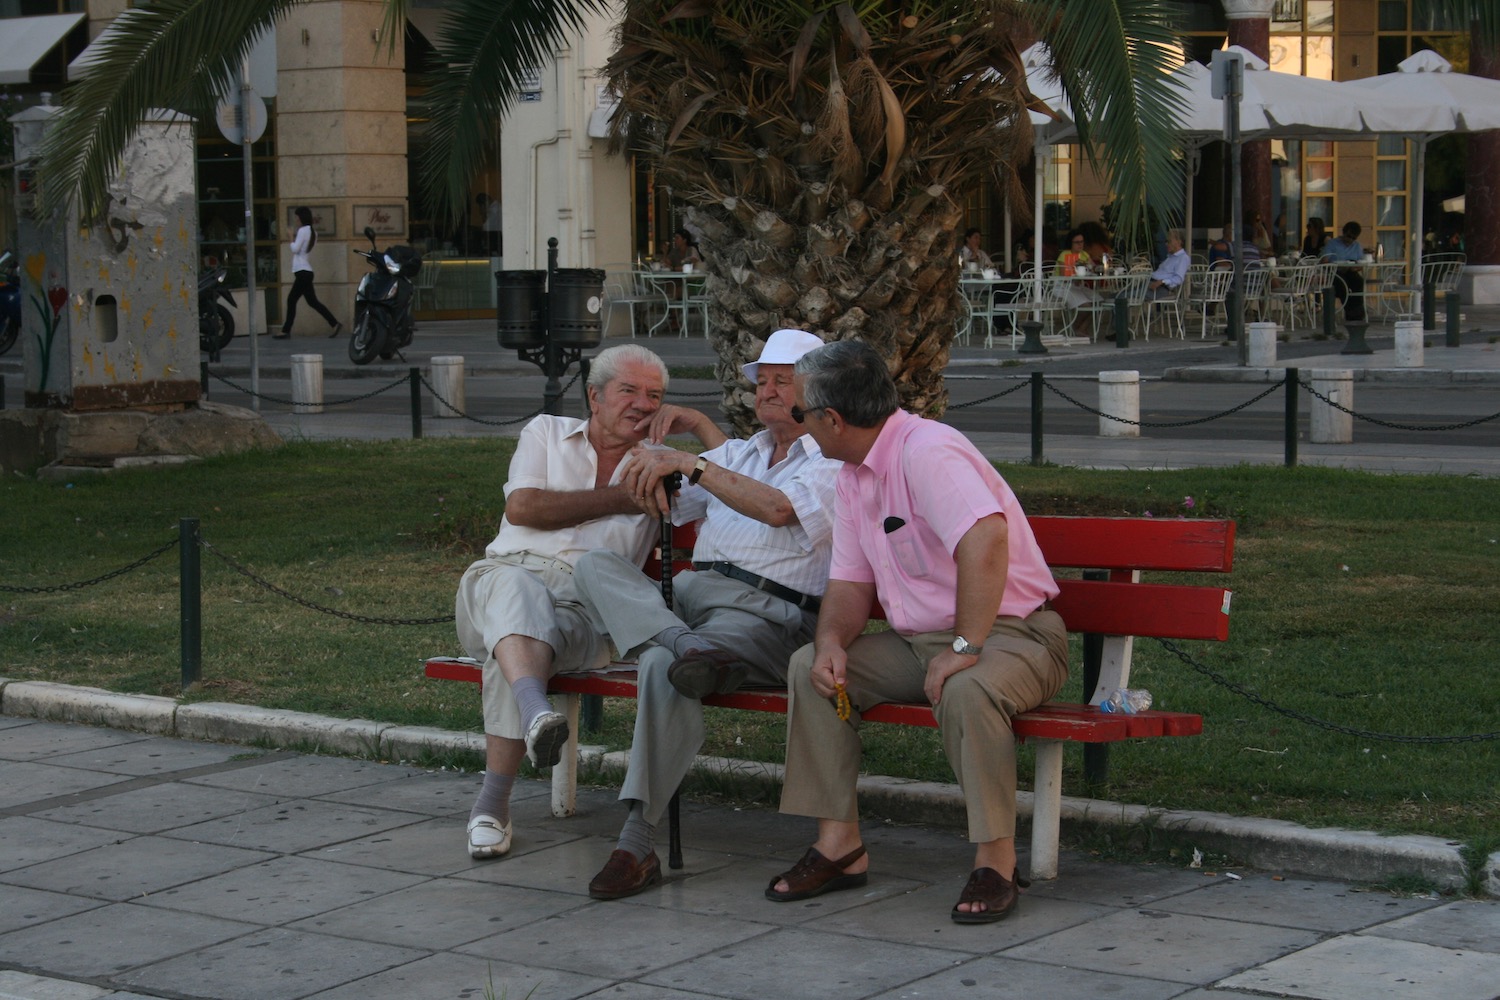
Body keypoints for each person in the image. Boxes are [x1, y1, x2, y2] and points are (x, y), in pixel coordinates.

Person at [767, 339, 1067, 924]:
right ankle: (840, 845)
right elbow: (850, 584)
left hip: (1015, 634)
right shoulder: (854, 474)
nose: (796, 424)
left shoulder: (927, 451)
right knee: (811, 668)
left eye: (800, 413)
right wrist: (830, 643)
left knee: (968, 687)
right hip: (920, 642)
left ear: (832, 419)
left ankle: (997, 861)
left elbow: (986, 540)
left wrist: (965, 646)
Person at [569, 329, 840, 901]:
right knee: (595, 565)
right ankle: (685, 647)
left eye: (781, 380)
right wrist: (646, 461)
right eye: (760, 380)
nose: (765, 391)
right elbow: (657, 495)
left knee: (656, 667)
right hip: (691, 603)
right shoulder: (738, 454)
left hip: (769, 614)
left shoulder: (833, 463)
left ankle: (634, 843)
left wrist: (691, 462)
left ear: (816, 392)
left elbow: (777, 508)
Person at [455, 344, 719, 861]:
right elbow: (524, 506)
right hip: (496, 589)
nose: (643, 404)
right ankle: (533, 716)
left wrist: (701, 425)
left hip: (582, 616)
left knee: (515, 643)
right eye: (629, 391)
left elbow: (743, 485)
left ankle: (496, 797)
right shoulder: (547, 433)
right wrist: (624, 498)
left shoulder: (665, 469)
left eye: (656, 395)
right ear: (594, 397)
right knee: (516, 591)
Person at [278, 207, 341, 339]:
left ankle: (286, 331)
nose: (296, 220)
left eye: (297, 217)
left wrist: (290, 237)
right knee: (312, 302)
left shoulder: (302, 231)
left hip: (302, 272)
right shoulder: (313, 233)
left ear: (301, 218)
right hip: (306, 271)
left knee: (291, 300)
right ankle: (334, 323)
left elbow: (295, 249)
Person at [1319, 220, 1367, 323]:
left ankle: (1357, 311)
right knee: (1341, 283)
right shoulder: (1333, 243)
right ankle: (1351, 311)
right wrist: (1334, 266)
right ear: (1344, 232)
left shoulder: (1356, 246)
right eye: (1349, 236)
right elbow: (1324, 261)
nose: (1350, 240)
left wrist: (1355, 267)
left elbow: (1361, 263)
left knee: (1358, 281)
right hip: (1335, 272)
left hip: (1350, 271)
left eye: (1353, 238)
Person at [1145, 228, 1189, 298]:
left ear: (1178, 242)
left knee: (1127, 296)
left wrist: (1162, 281)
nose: (1166, 244)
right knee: (1126, 292)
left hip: (1161, 287)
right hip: (1151, 282)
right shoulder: (1170, 257)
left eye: (1169, 241)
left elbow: (1178, 279)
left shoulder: (1183, 258)